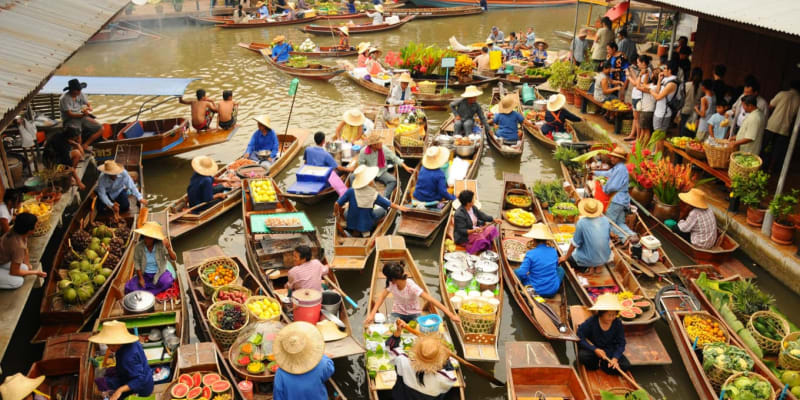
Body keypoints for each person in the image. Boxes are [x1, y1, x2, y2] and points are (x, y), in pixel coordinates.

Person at [365, 262, 460, 324]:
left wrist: (451, 315)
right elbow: (381, 297)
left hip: (414, 314)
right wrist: (372, 314)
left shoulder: (411, 286)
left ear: (392, 278)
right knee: (392, 329)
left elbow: (431, 300)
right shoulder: (391, 283)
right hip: (397, 313)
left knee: (419, 332)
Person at [385, 320, 458, 399]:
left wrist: (397, 333)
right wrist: (446, 358)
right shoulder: (444, 378)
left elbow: (391, 347)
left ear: (417, 352)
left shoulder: (403, 361)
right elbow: (451, 376)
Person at [335, 165, 408, 236]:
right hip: (366, 223)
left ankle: (355, 231)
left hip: (351, 222)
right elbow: (387, 204)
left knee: (346, 212)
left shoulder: (350, 191)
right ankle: (365, 231)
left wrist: (337, 214)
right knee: (383, 210)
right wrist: (399, 207)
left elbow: (337, 204)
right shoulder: (373, 193)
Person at [91, 320, 153, 400]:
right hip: (140, 375)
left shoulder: (127, 359)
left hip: (141, 387)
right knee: (108, 372)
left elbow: (139, 380)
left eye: (111, 345)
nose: (109, 348)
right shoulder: (133, 342)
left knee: (103, 383)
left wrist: (119, 391)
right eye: (108, 345)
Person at [273, 321, 334, 400]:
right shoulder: (322, 363)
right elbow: (330, 369)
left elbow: (278, 397)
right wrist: (323, 356)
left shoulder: (280, 374)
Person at [577, 293, 631, 375]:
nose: (612, 318)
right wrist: (594, 349)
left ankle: (604, 365)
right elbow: (580, 335)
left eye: (614, 315)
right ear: (601, 314)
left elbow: (621, 343)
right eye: (609, 315)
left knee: (625, 365)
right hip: (594, 350)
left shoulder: (617, 323)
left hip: (609, 351)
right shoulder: (592, 321)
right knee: (583, 356)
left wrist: (615, 359)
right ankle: (598, 364)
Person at [558, 198, 611, 274]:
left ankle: (587, 267)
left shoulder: (582, 223)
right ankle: (597, 266)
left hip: (589, 259)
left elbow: (574, 244)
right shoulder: (605, 220)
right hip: (605, 257)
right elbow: (607, 239)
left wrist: (566, 257)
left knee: (569, 258)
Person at [124, 221, 176, 295]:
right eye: (146, 237)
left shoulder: (161, 246)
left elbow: (173, 258)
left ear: (154, 239)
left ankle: (148, 292)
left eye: (150, 238)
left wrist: (169, 248)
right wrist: (141, 278)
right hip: (145, 275)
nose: (147, 240)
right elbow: (137, 264)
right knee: (129, 287)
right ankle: (151, 291)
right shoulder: (139, 247)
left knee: (166, 282)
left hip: (159, 273)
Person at [357, 131, 414, 197]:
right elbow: (361, 165)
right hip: (368, 173)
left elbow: (394, 158)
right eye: (379, 143)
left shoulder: (384, 149)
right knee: (353, 177)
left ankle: (384, 197)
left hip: (381, 172)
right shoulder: (363, 152)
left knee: (393, 181)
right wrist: (367, 178)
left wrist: (406, 167)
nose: (381, 144)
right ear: (373, 145)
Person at [515, 223, 564, 297]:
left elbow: (521, 273)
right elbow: (555, 266)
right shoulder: (553, 251)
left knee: (516, 271)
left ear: (534, 240)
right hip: (552, 290)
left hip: (535, 291)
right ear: (546, 240)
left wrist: (527, 277)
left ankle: (524, 288)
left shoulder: (530, 254)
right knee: (561, 270)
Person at [595, 147, 634, 238]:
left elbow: (612, 187)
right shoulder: (618, 167)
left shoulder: (620, 169)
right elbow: (608, 173)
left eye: (614, 157)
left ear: (619, 159)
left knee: (609, 222)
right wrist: (595, 173)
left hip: (617, 200)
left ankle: (626, 239)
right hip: (623, 200)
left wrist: (603, 186)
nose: (611, 158)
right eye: (612, 157)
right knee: (620, 223)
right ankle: (633, 236)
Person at [0, 213, 46, 290]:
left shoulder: (16, 231)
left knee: (25, 268)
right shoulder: (18, 245)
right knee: (18, 281)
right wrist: (36, 272)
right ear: (29, 230)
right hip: (3, 262)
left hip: (2, 260)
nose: (36, 226)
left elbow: (25, 249)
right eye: (35, 225)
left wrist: (28, 265)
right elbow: (14, 272)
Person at [762, 81, 800, 173]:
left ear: (790, 86)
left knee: (764, 146)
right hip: (785, 128)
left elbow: (770, 106)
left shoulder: (782, 94)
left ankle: (760, 164)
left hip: (772, 125)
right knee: (777, 150)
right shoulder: (799, 99)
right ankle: (771, 168)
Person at [59, 78, 102, 151]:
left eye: (80, 89)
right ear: (72, 90)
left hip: (81, 116)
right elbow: (70, 114)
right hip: (70, 119)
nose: (80, 91)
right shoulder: (64, 99)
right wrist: (82, 115)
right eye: (78, 90)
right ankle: (79, 151)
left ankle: (86, 145)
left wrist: (89, 108)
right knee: (78, 136)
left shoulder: (80, 93)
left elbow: (87, 103)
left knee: (100, 128)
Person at [452, 189, 500, 254]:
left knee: (492, 229)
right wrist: (474, 231)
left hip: (475, 229)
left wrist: (493, 219)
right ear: (468, 203)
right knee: (481, 239)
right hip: (464, 236)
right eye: (473, 199)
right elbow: (462, 231)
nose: (474, 200)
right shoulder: (459, 214)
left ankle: (483, 243)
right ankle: (480, 245)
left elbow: (482, 215)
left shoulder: (472, 207)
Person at [650, 61, 679, 132]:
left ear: (670, 70)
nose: (663, 70)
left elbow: (658, 97)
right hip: (659, 111)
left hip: (663, 113)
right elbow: (657, 91)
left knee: (658, 136)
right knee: (657, 135)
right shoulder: (665, 80)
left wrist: (650, 91)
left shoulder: (671, 83)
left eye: (665, 68)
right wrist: (659, 80)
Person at [632, 55, 655, 144]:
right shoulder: (645, 71)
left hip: (645, 104)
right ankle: (639, 143)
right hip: (644, 102)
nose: (637, 64)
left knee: (644, 128)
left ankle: (642, 145)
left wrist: (640, 76)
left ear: (644, 63)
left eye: (638, 62)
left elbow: (638, 86)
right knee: (643, 127)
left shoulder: (646, 72)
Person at [679, 67, 703, 137]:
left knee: (683, 132)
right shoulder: (702, 88)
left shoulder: (686, 85)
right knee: (691, 132)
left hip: (685, 110)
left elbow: (681, 98)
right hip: (695, 113)